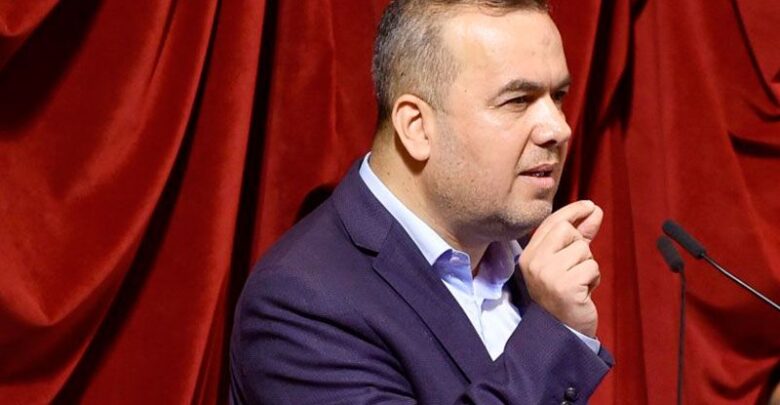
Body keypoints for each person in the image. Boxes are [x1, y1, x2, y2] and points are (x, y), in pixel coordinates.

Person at [230, 0, 613, 403]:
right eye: (517, 100)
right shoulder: (300, 302)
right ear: (416, 127)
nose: (559, 128)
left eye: (559, 96)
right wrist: (554, 333)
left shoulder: (522, 263)